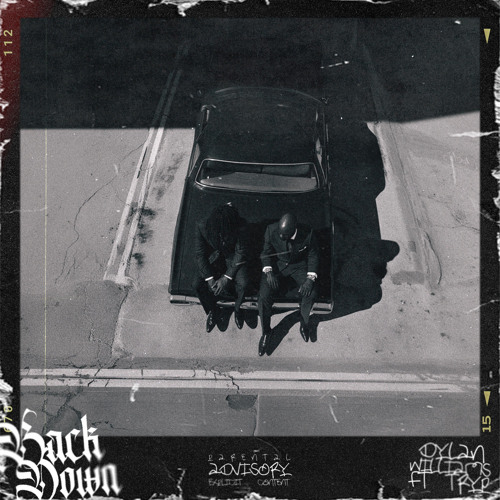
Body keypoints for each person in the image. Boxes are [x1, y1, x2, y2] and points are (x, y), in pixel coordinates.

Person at [258, 213, 319, 355]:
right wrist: (269, 272)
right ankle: (266, 332)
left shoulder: (308, 234)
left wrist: (309, 279)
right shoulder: (271, 230)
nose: (281, 236)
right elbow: (265, 253)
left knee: (311, 293)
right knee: (263, 296)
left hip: (298, 266)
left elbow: (313, 256)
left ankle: (304, 322)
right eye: (280, 233)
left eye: (284, 235)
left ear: (293, 230)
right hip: (278, 266)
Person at [193, 203, 250, 332]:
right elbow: (200, 255)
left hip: (232, 258)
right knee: (196, 285)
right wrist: (209, 278)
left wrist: (226, 278)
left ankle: (238, 309)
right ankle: (213, 310)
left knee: (244, 283)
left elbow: (240, 252)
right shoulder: (202, 226)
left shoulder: (240, 225)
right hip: (214, 258)